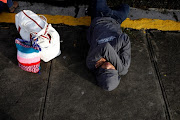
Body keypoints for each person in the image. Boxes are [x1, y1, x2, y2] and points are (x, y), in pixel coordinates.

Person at [86, 0, 131, 91]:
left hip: (99, 17)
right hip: (116, 20)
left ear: (99, 72)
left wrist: (115, 59)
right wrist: (118, 65)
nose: (107, 65)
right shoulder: (123, 67)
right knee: (126, 7)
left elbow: (105, 46)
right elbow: (125, 38)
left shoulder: (91, 63)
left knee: (99, 2)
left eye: (104, 70)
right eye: (110, 69)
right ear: (116, 72)